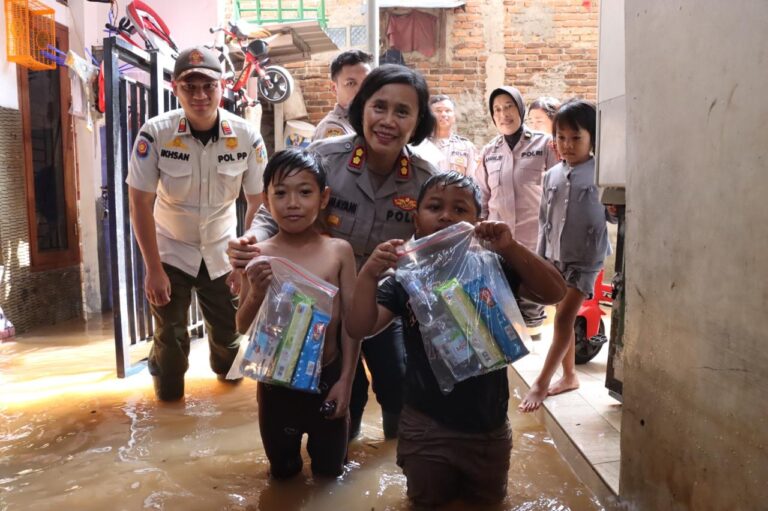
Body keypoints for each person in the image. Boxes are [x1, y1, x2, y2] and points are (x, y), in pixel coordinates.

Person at [228, 65, 438, 440]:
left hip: (380, 305)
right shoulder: (326, 157)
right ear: (362, 109)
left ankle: (395, 455)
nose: (388, 121)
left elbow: (438, 241)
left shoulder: (424, 179)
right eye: (379, 107)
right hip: (319, 305)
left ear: (418, 120)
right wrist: (252, 244)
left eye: (403, 111)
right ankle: (342, 460)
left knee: (396, 385)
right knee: (342, 394)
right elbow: (270, 212)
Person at [347, 172, 566, 507]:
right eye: (434, 206)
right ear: (415, 219)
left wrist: (509, 245)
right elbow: (359, 327)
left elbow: (554, 292)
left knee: (488, 503)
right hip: (425, 425)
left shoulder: (492, 266)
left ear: (477, 221)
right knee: (426, 503)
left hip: (489, 427)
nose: (446, 215)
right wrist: (368, 274)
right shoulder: (406, 279)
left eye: (460, 210)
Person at [127, 46, 267, 401]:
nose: (200, 95)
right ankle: (168, 395)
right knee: (170, 342)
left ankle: (226, 385)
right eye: (190, 87)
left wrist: (243, 264)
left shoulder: (246, 136)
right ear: (176, 88)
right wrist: (153, 269)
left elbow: (257, 202)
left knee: (229, 346)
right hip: (171, 251)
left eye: (209, 86)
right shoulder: (155, 134)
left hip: (223, 252)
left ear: (222, 88)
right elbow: (140, 203)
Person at [236, 149, 358, 478]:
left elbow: (352, 325)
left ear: (323, 198)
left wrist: (346, 381)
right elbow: (243, 326)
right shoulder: (258, 255)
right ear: (266, 199)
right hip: (276, 389)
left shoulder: (339, 252)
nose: (293, 203)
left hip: (328, 380)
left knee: (331, 474)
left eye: (305, 192)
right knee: (283, 474)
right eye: (281, 193)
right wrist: (257, 292)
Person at [519, 99, 617, 412]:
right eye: (562, 137)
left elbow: (614, 216)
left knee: (562, 319)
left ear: (592, 140)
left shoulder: (601, 176)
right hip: (556, 258)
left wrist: (614, 212)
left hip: (586, 259)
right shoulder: (552, 176)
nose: (568, 144)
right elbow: (544, 220)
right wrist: (539, 259)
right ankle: (571, 375)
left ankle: (542, 383)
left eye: (576, 138)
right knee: (564, 318)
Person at [474, 86, 560, 339]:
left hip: (532, 240)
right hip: (496, 244)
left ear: (520, 108)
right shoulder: (489, 152)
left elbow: (557, 188)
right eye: (497, 109)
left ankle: (531, 349)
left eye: (509, 106)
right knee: (500, 303)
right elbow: (482, 196)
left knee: (532, 306)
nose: (504, 114)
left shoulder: (544, 144)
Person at [311, 49, 373, 141]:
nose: (361, 90)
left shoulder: (369, 122)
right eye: (351, 83)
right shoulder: (332, 128)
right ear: (334, 89)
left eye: (366, 83)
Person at [426, 94, 479, 176]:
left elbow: (473, 181)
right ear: (430, 116)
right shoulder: (422, 146)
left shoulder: (466, 147)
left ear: (454, 116)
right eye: (438, 111)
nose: (443, 114)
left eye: (448, 111)